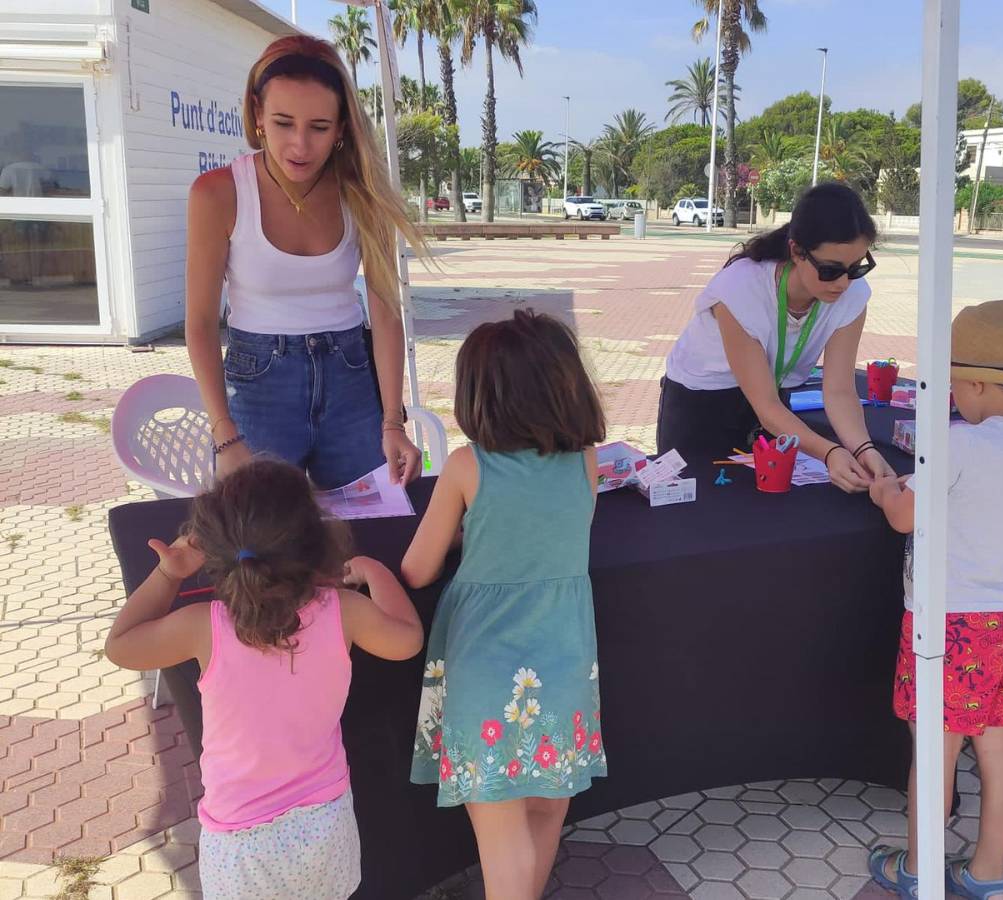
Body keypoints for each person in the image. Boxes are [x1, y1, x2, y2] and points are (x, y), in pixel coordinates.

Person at [104, 459, 424, 900]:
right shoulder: (343, 611)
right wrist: (373, 571)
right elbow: (407, 640)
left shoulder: (202, 625)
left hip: (239, 844)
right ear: (317, 542)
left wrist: (168, 573)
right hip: (324, 825)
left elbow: (121, 646)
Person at [404, 309, 608, 900]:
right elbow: (558, 536)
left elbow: (417, 568)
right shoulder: (587, 461)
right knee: (546, 813)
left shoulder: (468, 466)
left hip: (487, 676)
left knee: (499, 832)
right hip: (567, 666)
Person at [866, 300, 1003, 900]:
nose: (953, 398)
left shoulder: (959, 444)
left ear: (976, 383)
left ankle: (920, 872)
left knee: (936, 750)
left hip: (948, 625)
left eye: (955, 386)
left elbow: (904, 516)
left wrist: (883, 488)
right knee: (1000, 747)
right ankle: (987, 875)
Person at [185, 35, 424, 490]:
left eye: (318, 126)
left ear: (341, 129)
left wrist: (393, 421)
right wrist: (224, 434)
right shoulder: (217, 193)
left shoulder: (363, 192)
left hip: (351, 376)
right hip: (259, 383)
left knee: (373, 525)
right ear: (257, 116)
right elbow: (198, 323)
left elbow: (386, 311)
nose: (300, 145)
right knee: (264, 545)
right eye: (282, 123)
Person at [657, 182, 894, 492]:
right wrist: (831, 452)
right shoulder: (741, 289)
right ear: (797, 251)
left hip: (774, 401)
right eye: (830, 270)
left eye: (857, 268)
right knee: (698, 513)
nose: (844, 283)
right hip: (702, 403)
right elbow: (766, 406)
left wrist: (864, 450)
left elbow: (838, 391)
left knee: (767, 510)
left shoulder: (853, 295)